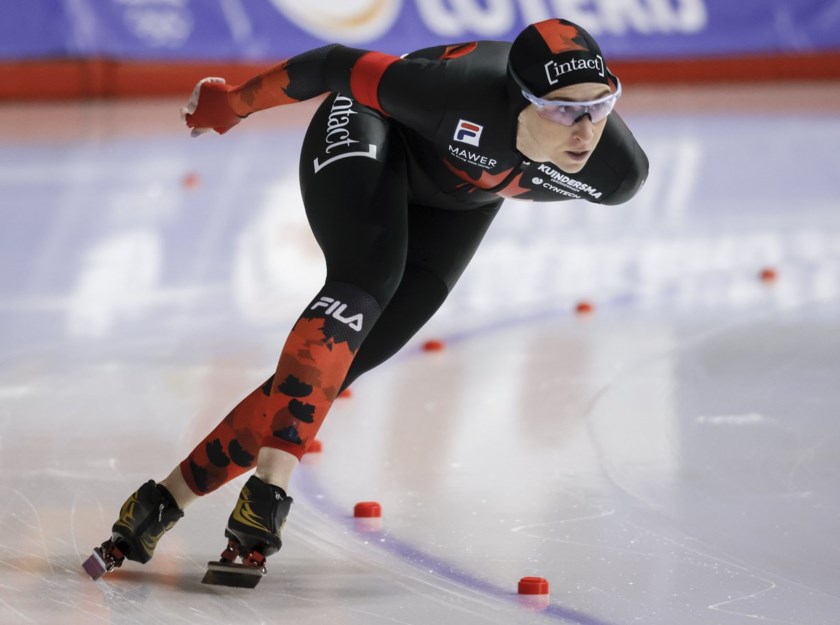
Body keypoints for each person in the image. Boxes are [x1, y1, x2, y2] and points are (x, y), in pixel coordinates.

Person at [85, 18, 648, 579]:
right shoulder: (453, 93)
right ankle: (269, 492)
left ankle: (162, 502)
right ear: (514, 99)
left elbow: (556, 144)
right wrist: (233, 103)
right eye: (562, 110)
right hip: (372, 128)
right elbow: (332, 64)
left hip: (459, 204)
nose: (585, 131)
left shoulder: (615, 172)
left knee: (342, 366)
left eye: (599, 106)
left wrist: (566, 124)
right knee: (365, 281)